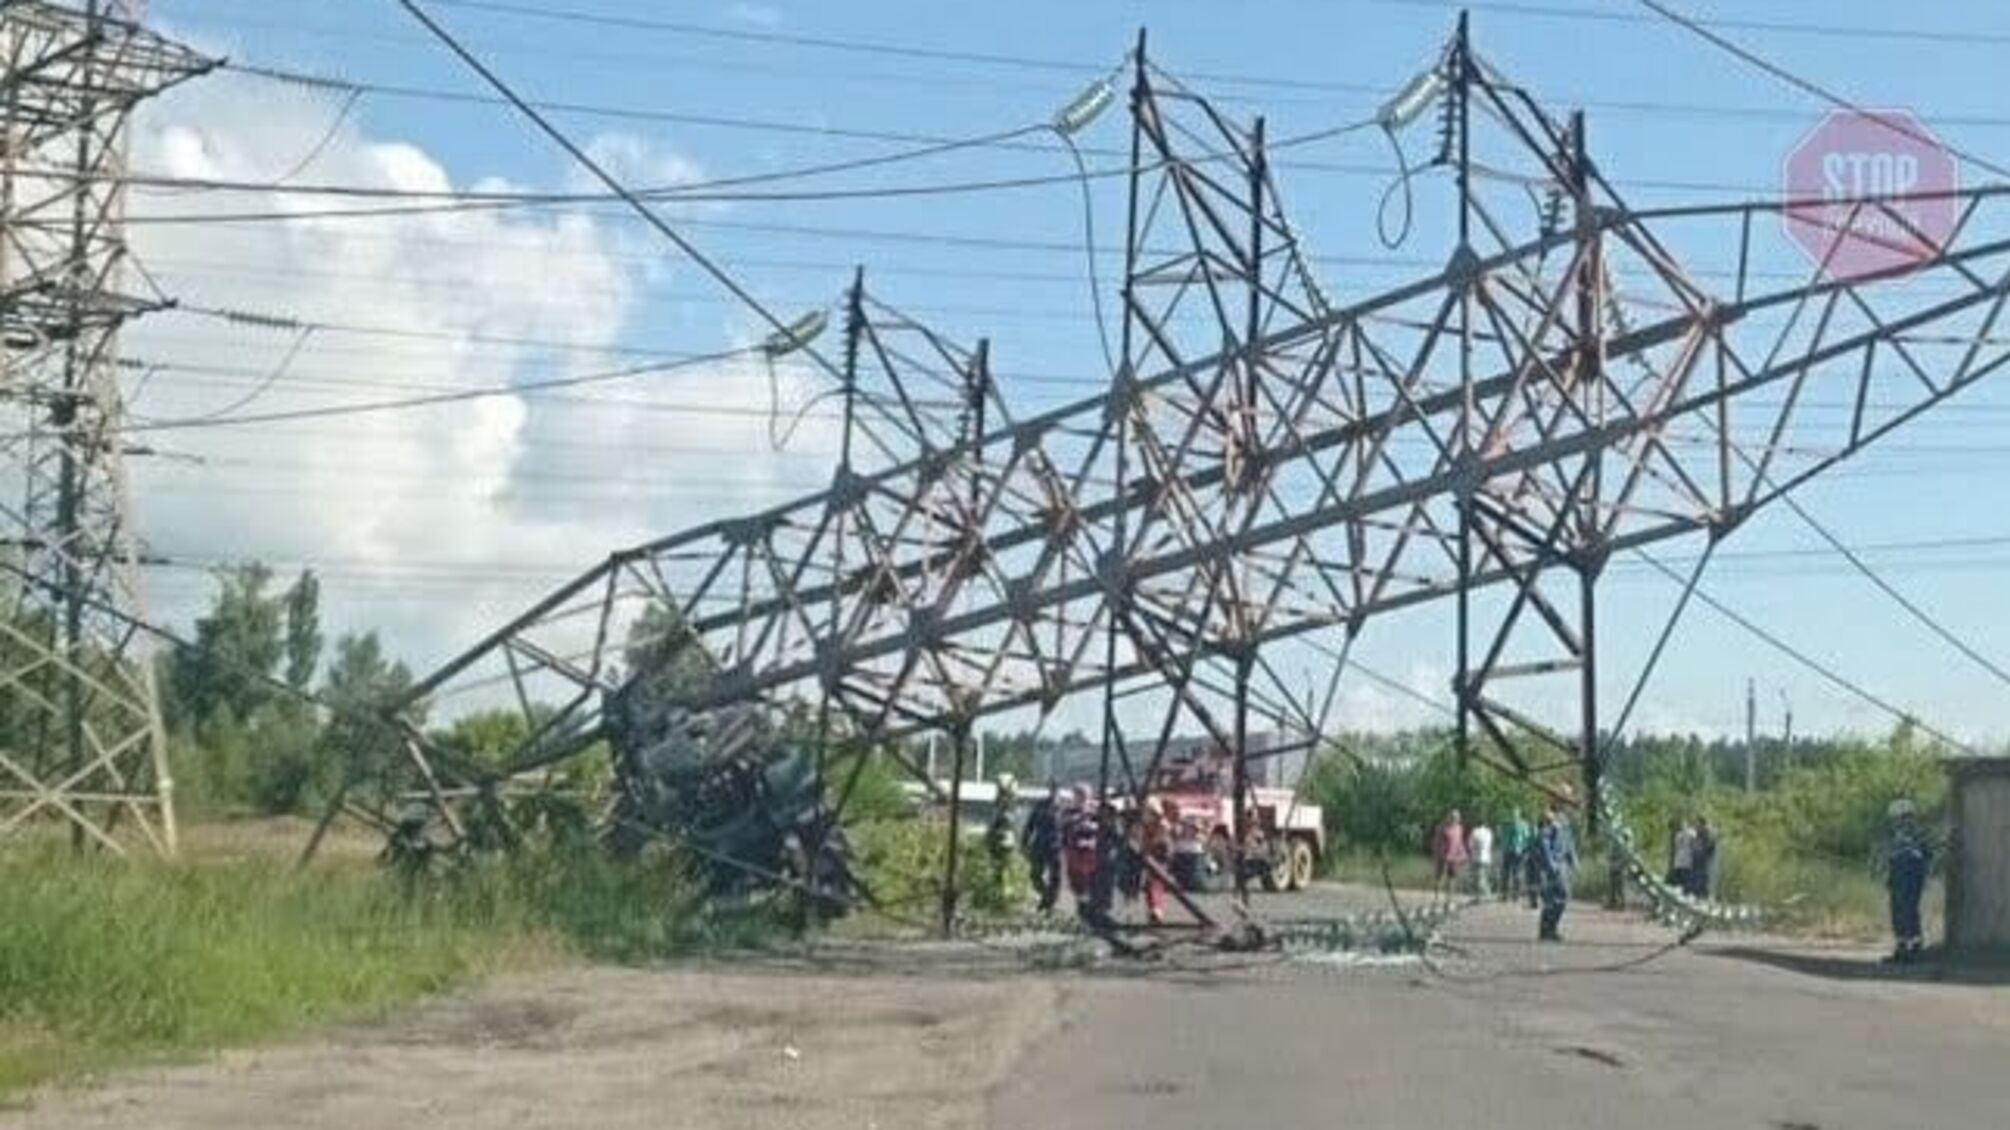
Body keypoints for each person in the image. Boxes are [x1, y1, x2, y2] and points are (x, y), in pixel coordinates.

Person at [1884, 798, 1932, 965]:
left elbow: (1927, 854)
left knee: (1908, 911)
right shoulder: (1895, 836)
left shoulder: (1918, 835)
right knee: (1897, 912)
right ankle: (1901, 947)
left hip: (1911, 879)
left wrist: (1915, 849)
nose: (1899, 822)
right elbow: (1892, 860)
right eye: (1897, 819)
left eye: (1901, 818)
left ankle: (1915, 948)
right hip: (1897, 879)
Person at [1535, 801, 1578, 942]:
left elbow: (1569, 841)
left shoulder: (1564, 819)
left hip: (1562, 864)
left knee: (1559, 898)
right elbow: (1544, 841)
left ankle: (1550, 929)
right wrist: (1551, 864)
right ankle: (1547, 930)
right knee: (1555, 896)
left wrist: (1573, 860)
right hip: (1553, 865)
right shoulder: (1550, 818)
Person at [1021, 783, 1063, 913]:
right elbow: (1030, 824)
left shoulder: (1063, 807)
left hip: (1056, 846)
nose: (1054, 791)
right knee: (1035, 876)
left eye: (1056, 789)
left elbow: (1068, 828)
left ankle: (1049, 904)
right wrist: (1024, 842)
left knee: (1055, 878)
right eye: (1052, 788)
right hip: (1040, 844)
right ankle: (1046, 896)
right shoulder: (1040, 805)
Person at [1138, 797, 1171, 925]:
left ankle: (1156, 910)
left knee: (1155, 882)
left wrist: (1148, 847)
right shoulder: (1144, 825)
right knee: (1149, 885)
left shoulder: (1162, 824)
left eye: (1148, 811)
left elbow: (1162, 841)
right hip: (1150, 855)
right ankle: (1154, 910)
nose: (1146, 814)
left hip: (1160, 855)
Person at [1432, 808, 1468, 900]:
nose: (1454, 819)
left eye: (1456, 817)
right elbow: (1437, 842)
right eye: (1452, 816)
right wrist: (1438, 854)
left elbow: (1459, 842)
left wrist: (1463, 853)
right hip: (1443, 856)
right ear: (1449, 817)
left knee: (1452, 877)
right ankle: (1437, 896)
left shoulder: (1460, 828)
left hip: (1454, 857)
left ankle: (1449, 897)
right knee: (1439, 876)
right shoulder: (1442, 827)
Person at [1499, 808, 1532, 902]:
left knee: (1517, 874)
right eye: (1513, 814)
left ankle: (1516, 895)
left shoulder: (1523, 825)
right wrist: (1503, 847)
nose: (1514, 816)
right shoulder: (1507, 825)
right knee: (1505, 873)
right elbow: (1503, 837)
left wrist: (1524, 849)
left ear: (1519, 815)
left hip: (1518, 852)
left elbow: (1527, 838)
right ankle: (1504, 895)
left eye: (1516, 814)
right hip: (1507, 851)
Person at [1689, 816, 1717, 901]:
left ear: (1701, 823)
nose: (1696, 825)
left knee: (1700, 875)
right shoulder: (1698, 833)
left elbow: (1709, 845)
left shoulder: (1704, 832)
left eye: (1697, 823)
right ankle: (1698, 893)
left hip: (1701, 856)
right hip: (1697, 856)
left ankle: (1700, 893)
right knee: (1697, 874)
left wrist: (1704, 851)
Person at [1666, 817, 1697, 895]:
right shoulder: (1684, 834)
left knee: (1684, 874)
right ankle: (1680, 889)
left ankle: (1682, 890)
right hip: (1683, 857)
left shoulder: (1685, 834)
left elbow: (1678, 844)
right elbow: (1678, 845)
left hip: (1684, 857)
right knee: (1682, 874)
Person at [1467, 818, 1495, 898]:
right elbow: (1490, 844)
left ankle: (1481, 894)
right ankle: (1486, 893)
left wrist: (1472, 852)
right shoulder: (1488, 832)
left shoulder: (1474, 832)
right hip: (1486, 857)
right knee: (1485, 876)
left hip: (1477, 857)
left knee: (1478, 877)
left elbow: (1470, 844)